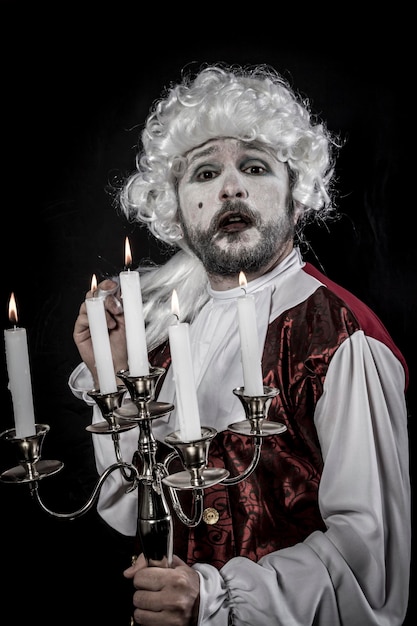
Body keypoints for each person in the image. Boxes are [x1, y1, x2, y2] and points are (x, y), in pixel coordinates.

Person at [70, 63, 411, 625]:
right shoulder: (163, 335)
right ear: (177, 213)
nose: (229, 186)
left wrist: (214, 598)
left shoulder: (341, 339)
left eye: (254, 167)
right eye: (204, 173)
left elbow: (370, 568)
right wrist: (118, 378)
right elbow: (137, 507)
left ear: (296, 199)